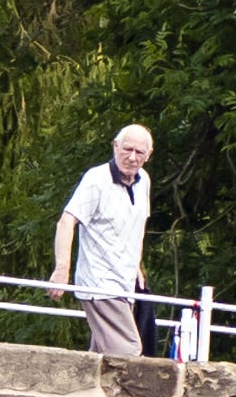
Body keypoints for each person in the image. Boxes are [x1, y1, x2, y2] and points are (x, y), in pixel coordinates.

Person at [51, 125, 157, 361]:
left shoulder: (144, 182)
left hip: (125, 284)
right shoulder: (97, 179)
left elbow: (134, 228)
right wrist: (62, 269)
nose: (132, 157)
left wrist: (137, 266)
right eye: (127, 149)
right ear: (115, 146)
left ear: (148, 155)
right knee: (128, 353)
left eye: (139, 152)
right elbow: (67, 221)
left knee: (99, 360)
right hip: (99, 283)